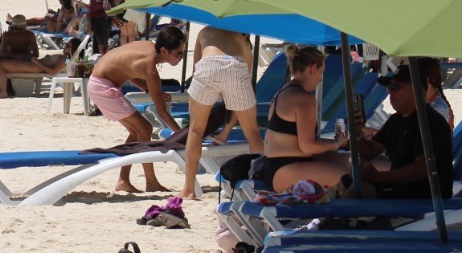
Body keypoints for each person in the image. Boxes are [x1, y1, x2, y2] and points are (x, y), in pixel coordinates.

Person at [87, 27, 188, 194]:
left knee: (137, 133)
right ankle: (151, 182)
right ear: (164, 50)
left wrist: (149, 90)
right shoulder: (150, 67)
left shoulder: (148, 47)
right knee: (146, 128)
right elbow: (162, 113)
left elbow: (128, 70)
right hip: (103, 87)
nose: (181, 58)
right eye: (178, 54)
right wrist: (182, 135)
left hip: (100, 83)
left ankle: (123, 181)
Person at [180, 27, 265, 199]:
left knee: (196, 130)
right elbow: (246, 71)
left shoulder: (204, 32)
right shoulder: (240, 37)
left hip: (208, 65)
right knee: (252, 132)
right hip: (235, 65)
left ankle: (189, 189)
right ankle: (261, 184)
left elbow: (197, 67)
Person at [351, 63, 453, 198]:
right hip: (401, 187)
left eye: (396, 87)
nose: (390, 91)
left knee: (359, 189)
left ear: (416, 90)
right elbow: (369, 152)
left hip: (426, 194)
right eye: (389, 87)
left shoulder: (430, 122)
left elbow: (422, 168)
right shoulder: (396, 120)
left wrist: (379, 177)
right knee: (347, 181)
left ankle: (332, 218)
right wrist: (357, 133)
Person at [259, 45, 352, 192]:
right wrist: (336, 143)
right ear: (313, 68)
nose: (321, 79)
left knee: (358, 162)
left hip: (275, 167)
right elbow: (307, 147)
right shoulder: (303, 98)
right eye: (321, 72)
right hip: (285, 170)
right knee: (355, 178)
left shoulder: (282, 92)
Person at [0, 14, 66, 99]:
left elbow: (36, 54)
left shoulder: (29, 35)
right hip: (14, 61)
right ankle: (4, 90)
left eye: (20, 28)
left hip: (26, 62)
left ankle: (3, 92)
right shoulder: (8, 35)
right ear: (12, 27)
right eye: (15, 28)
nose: (17, 31)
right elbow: (3, 53)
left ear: (24, 28)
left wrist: (26, 56)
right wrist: (17, 56)